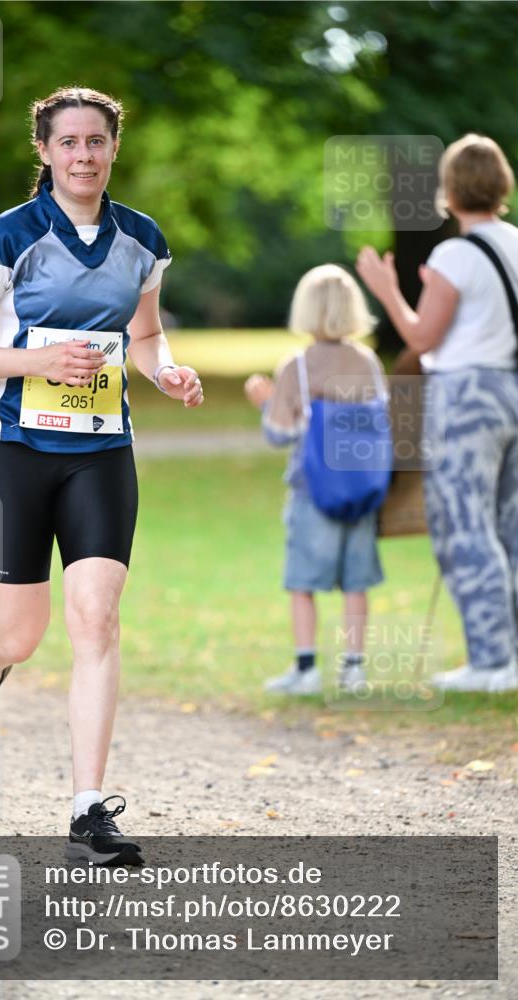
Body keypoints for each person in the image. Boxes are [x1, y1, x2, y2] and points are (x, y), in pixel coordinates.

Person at [0, 86, 204, 864]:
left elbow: (146, 336)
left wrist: (167, 372)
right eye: (69, 143)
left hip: (100, 453)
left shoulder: (141, 239)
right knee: (24, 631)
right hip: (10, 453)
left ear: (113, 148)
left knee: (97, 617)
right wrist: (39, 361)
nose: (83, 154)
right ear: (45, 152)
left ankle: (89, 808)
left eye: (96, 141)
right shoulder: (10, 234)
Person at [356, 133, 518, 693]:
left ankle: (492, 662)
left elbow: (423, 337)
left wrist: (385, 288)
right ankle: (511, 654)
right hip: (511, 390)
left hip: (465, 398)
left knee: (463, 526)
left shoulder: (454, 253)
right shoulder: (516, 243)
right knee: (509, 524)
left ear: (450, 190)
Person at [244, 265, 387, 695]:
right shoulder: (368, 362)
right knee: (356, 582)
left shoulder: (298, 367)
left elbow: (279, 434)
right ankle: (354, 668)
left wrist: (266, 404)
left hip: (313, 491)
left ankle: (306, 669)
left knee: (303, 581)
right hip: (361, 491)